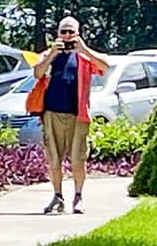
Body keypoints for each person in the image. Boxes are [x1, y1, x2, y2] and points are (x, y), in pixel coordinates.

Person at [31, 16, 110, 214]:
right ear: (57, 34)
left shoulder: (83, 57)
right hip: (52, 113)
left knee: (78, 158)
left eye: (71, 32)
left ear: (78, 33)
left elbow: (105, 66)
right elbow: (37, 73)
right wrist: (51, 54)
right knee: (54, 159)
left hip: (78, 115)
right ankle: (57, 197)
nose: (67, 36)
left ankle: (78, 197)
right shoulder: (50, 54)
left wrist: (83, 49)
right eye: (63, 32)